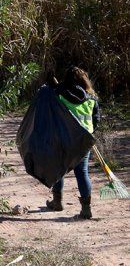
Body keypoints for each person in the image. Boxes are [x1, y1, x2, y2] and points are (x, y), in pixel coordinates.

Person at [46, 67, 100, 219]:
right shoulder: (91, 98)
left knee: (59, 169)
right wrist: (89, 134)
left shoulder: (59, 95)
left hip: (62, 139)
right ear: (84, 80)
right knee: (82, 173)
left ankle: (57, 202)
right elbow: (96, 120)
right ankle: (86, 209)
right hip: (83, 140)